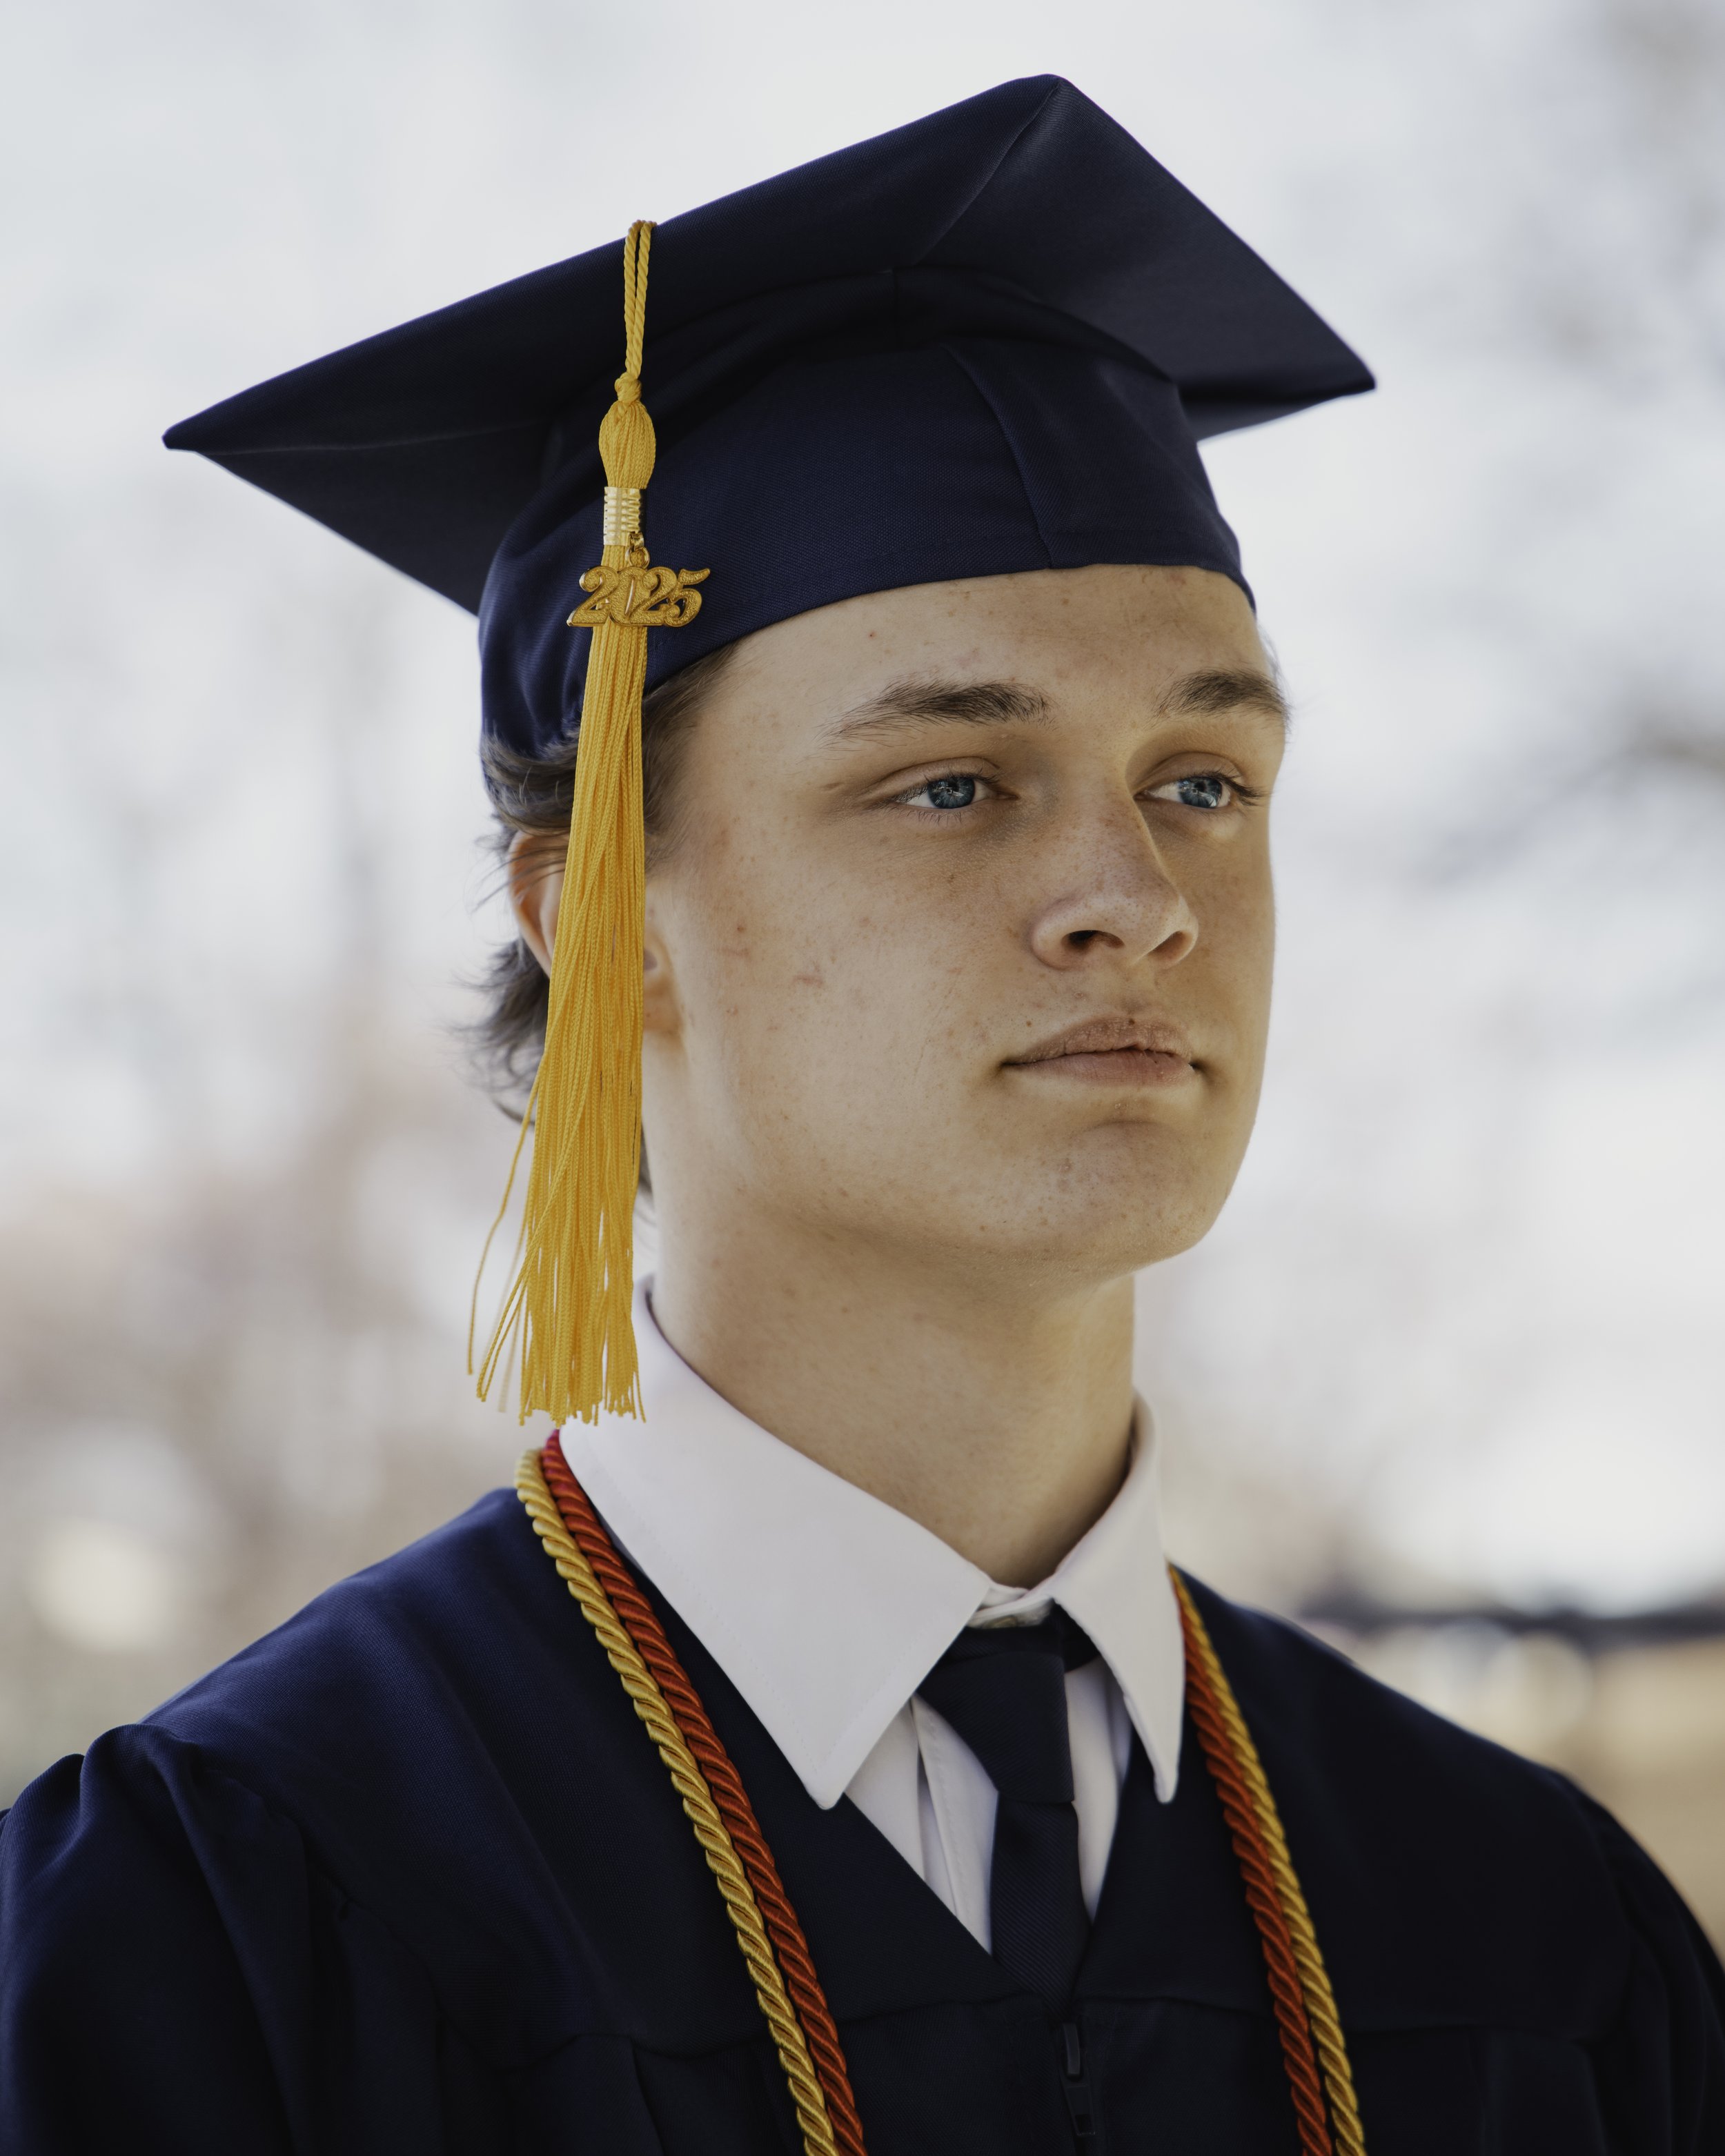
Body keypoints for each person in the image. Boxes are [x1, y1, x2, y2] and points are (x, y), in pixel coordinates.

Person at [2, 76, 1720, 2156]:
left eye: (1202, 779)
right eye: (949, 785)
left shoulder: (1530, 1934)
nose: (1138, 896)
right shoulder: (231, 1917)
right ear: (608, 916)